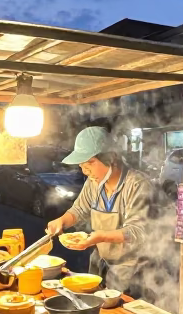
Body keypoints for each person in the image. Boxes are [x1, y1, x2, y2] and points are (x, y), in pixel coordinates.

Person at [46, 126, 151, 295]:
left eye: (90, 163)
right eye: (81, 165)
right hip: (100, 263)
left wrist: (100, 236)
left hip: (132, 271)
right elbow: (79, 209)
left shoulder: (137, 185)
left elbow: (137, 231)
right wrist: (62, 221)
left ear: (111, 158)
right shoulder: (94, 182)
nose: (85, 170)